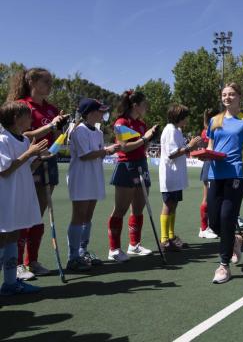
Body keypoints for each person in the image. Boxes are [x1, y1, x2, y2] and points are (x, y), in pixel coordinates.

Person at [7, 67, 68, 280]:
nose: (50, 86)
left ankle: (31, 260)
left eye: (51, 82)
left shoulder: (51, 109)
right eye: (46, 82)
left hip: (48, 161)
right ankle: (15, 264)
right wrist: (50, 127)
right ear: (32, 82)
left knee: (37, 215)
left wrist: (60, 128)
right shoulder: (23, 105)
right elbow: (22, 133)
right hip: (29, 161)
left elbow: (58, 136)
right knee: (23, 214)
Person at [205, 83, 243, 283]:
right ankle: (235, 240)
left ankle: (223, 265)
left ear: (239, 97)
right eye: (224, 94)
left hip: (236, 175)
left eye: (231, 94)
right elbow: (210, 147)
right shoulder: (214, 120)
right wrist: (205, 155)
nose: (227, 97)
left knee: (227, 217)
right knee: (214, 222)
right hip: (214, 174)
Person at [0, 101, 48, 295]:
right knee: (2, 237)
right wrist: (30, 152)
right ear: (15, 119)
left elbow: (25, 168)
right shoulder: (3, 140)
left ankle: (10, 284)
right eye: (27, 116)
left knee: (13, 236)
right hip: (5, 196)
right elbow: (5, 170)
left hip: (19, 195)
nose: (31, 119)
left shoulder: (24, 140)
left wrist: (37, 159)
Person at [66, 98, 119, 270]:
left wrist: (110, 150)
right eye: (100, 111)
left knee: (88, 216)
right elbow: (84, 155)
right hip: (80, 178)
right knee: (78, 215)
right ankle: (73, 257)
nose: (103, 114)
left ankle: (82, 251)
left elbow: (99, 154)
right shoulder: (79, 131)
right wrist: (106, 150)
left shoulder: (98, 132)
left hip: (94, 177)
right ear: (90, 113)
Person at [106, 90, 159, 262]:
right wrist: (145, 138)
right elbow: (123, 146)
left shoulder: (142, 124)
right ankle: (113, 249)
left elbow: (141, 148)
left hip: (141, 165)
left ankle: (134, 244)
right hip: (126, 166)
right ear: (135, 105)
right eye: (144, 104)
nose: (146, 108)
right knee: (120, 209)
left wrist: (149, 138)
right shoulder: (122, 122)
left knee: (138, 208)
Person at [159, 104, 201, 251]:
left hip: (176, 175)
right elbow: (172, 153)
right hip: (170, 175)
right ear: (179, 117)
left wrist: (192, 147)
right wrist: (189, 146)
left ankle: (171, 236)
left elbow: (182, 150)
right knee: (168, 205)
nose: (187, 119)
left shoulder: (177, 130)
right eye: (186, 117)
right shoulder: (170, 130)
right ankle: (164, 240)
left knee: (174, 205)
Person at [199, 109, 218, 239]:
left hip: (215, 165)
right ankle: (204, 228)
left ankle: (211, 226)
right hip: (210, 165)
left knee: (214, 199)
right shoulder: (209, 131)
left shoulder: (208, 130)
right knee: (207, 198)